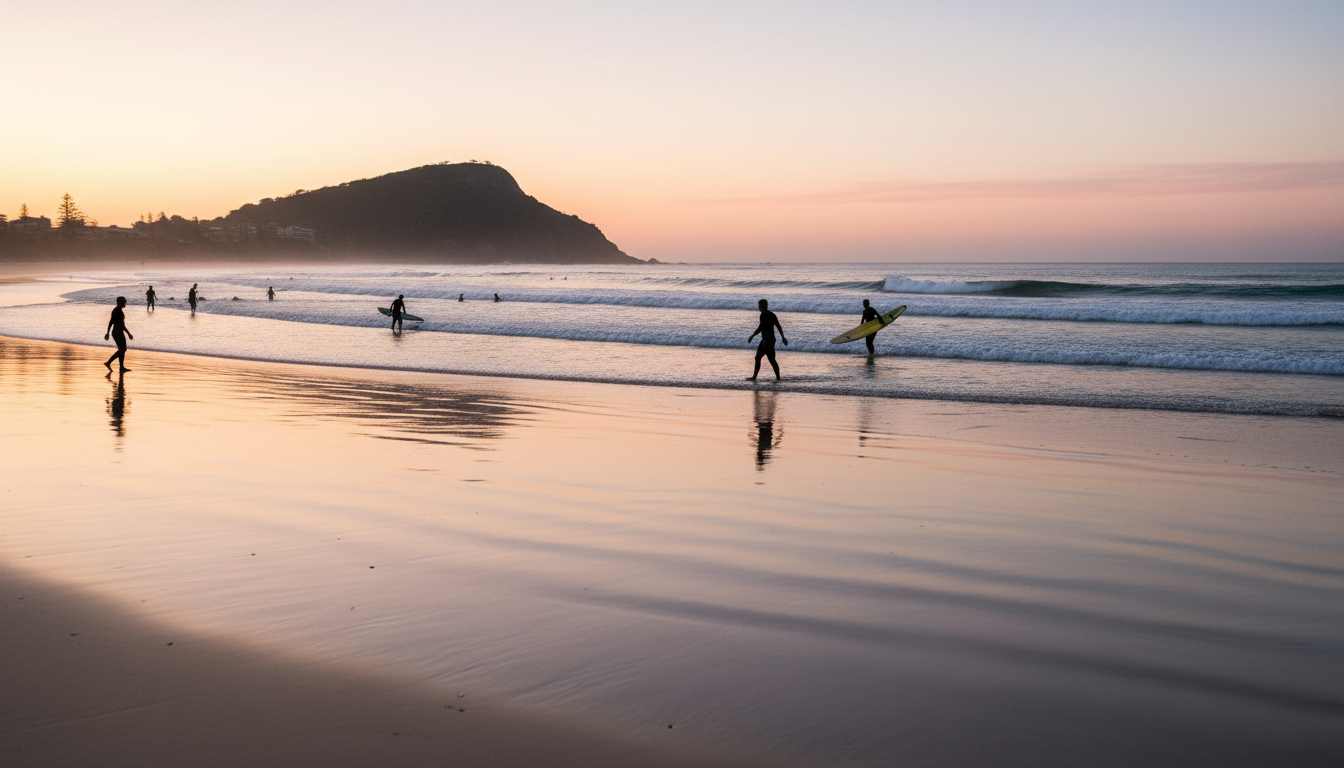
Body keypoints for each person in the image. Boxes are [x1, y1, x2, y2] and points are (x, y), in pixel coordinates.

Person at [747, 299, 787, 381]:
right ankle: (754, 377)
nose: (759, 307)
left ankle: (778, 378)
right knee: (757, 357)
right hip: (764, 340)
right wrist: (752, 336)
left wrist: (783, 337)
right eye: (759, 306)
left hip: (770, 341)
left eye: (760, 306)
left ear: (764, 306)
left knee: (771, 360)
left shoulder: (770, 315)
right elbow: (761, 327)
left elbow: (778, 326)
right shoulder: (764, 315)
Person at [103, 296, 133, 373]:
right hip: (117, 332)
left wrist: (108, 333)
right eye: (124, 301)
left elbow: (112, 322)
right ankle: (109, 362)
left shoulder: (116, 310)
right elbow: (118, 324)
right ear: (120, 302)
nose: (125, 303)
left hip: (117, 332)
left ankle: (121, 367)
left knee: (122, 349)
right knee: (123, 349)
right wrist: (129, 333)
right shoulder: (118, 311)